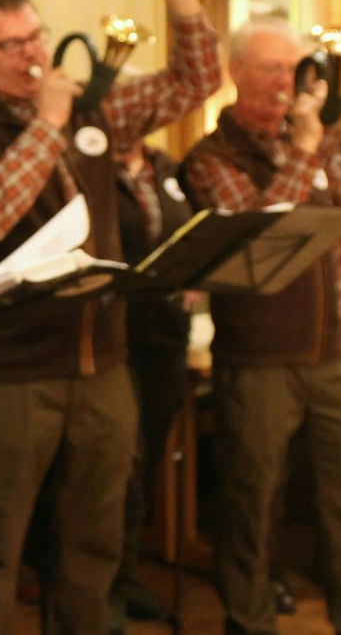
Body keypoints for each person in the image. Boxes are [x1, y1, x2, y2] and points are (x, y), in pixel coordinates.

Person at [0, 0, 218, 634]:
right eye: (10, 45)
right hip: (10, 376)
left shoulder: (100, 109)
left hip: (103, 365)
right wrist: (50, 123)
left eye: (37, 36)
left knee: (91, 546)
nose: (32, 55)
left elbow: (195, 81)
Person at [179, 17, 341, 635]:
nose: (285, 82)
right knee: (253, 506)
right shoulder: (211, 159)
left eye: (294, 69)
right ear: (235, 73)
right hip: (258, 358)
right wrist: (304, 149)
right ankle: (249, 622)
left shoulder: (322, 143)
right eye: (270, 68)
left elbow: (338, 247)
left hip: (327, 353)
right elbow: (264, 230)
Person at [109, 137, 195, 623]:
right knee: (121, 458)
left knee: (148, 455)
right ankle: (105, 584)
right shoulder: (93, 163)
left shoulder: (168, 167)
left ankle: (127, 571)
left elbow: (195, 235)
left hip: (166, 334)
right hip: (115, 333)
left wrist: (198, 275)